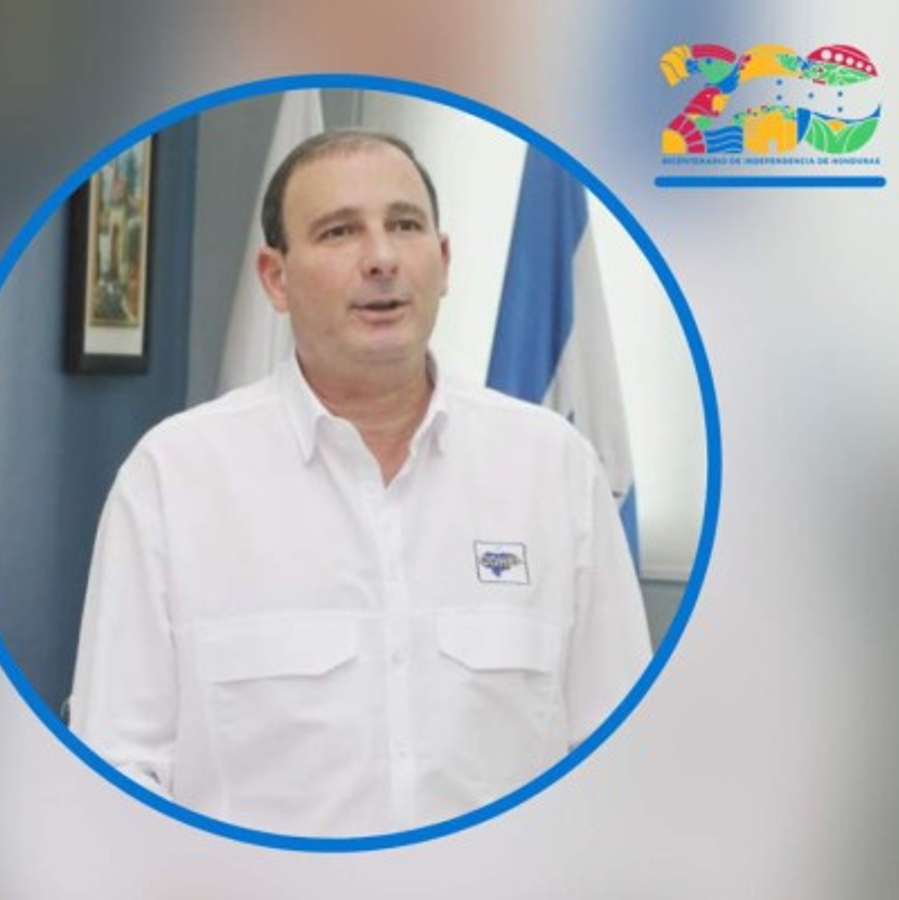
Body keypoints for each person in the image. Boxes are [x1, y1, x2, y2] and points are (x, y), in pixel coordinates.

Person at [69, 129, 651, 836]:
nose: (381, 259)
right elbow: (117, 767)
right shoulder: (174, 478)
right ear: (275, 279)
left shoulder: (554, 469)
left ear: (442, 261)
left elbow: (621, 758)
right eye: (339, 231)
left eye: (404, 225)